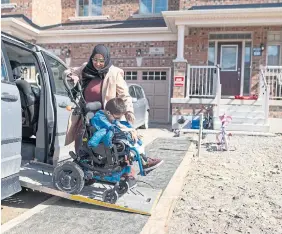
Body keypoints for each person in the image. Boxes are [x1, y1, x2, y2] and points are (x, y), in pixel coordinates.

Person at [64, 44, 163, 175]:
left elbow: (125, 95)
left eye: (101, 61)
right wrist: (74, 76)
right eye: (95, 60)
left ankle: (135, 165)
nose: (97, 64)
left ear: (106, 59)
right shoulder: (85, 67)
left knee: (117, 142)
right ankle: (85, 169)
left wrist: (129, 111)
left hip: (107, 115)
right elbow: (68, 71)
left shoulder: (114, 73)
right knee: (83, 142)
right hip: (87, 115)